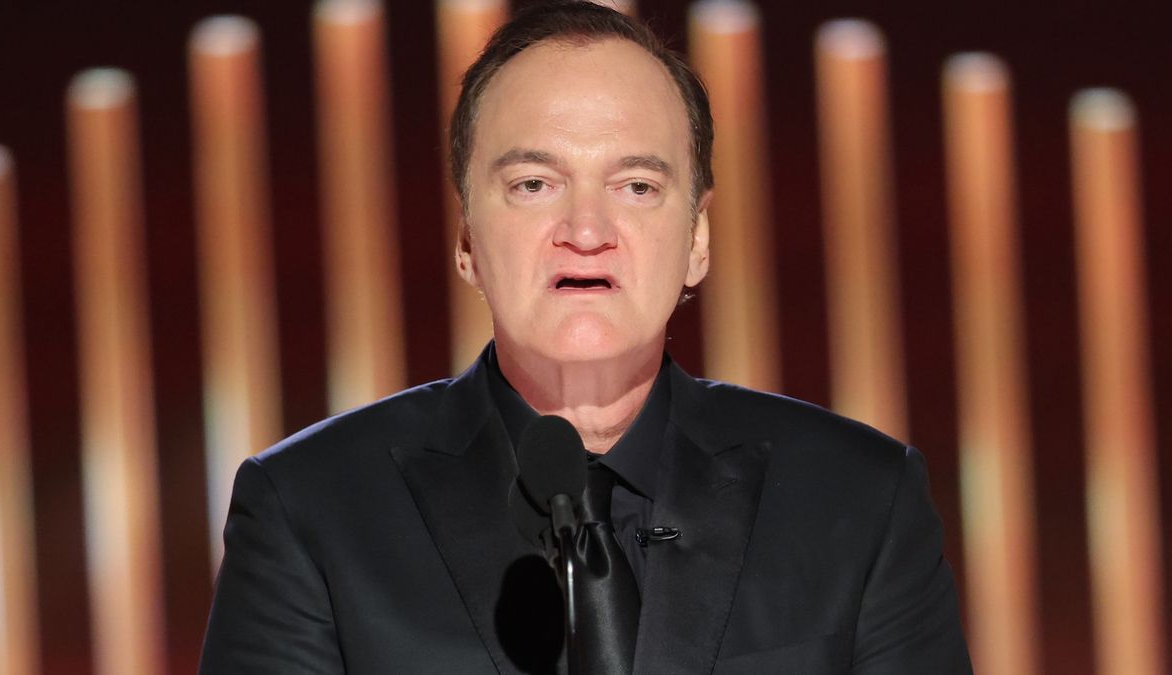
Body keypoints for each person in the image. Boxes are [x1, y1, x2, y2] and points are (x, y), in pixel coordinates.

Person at [199, 1, 972, 673]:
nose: (587, 230)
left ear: (698, 237)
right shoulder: (309, 509)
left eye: (637, 186)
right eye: (535, 185)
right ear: (468, 239)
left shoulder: (860, 500)